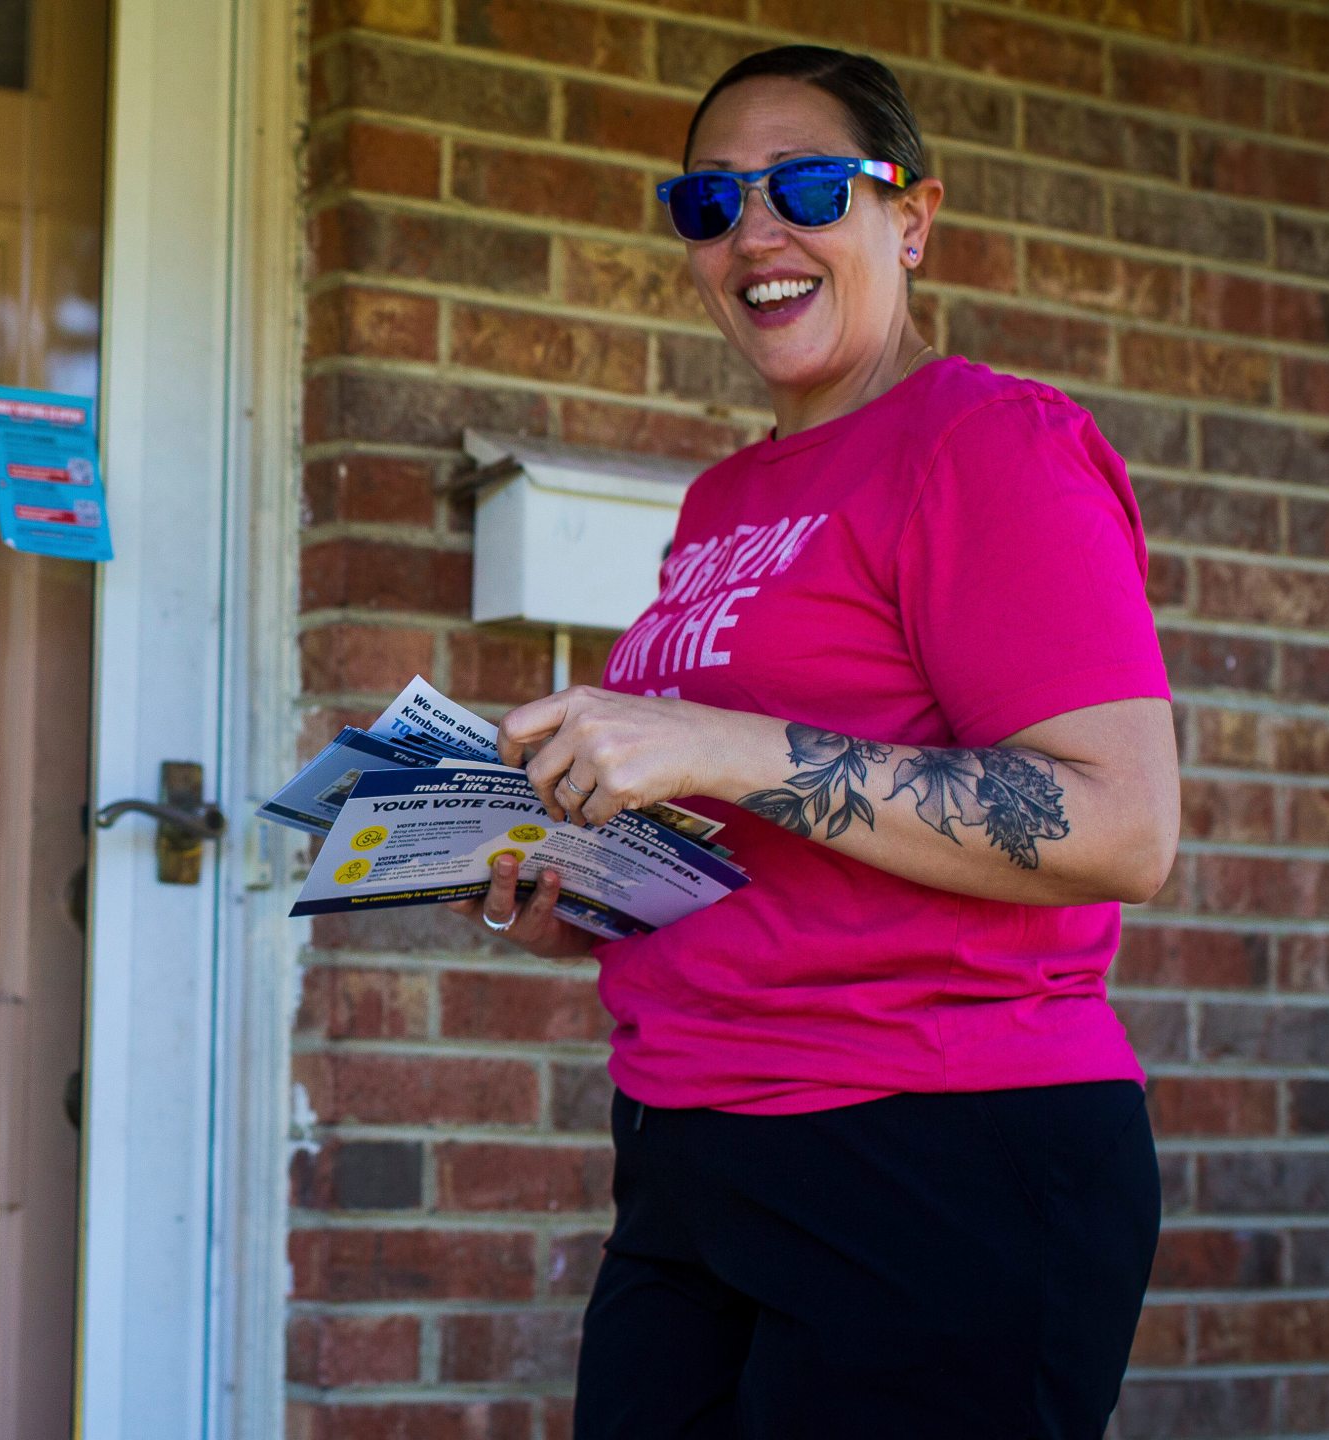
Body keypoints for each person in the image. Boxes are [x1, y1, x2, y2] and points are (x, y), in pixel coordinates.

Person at [444, 45, 1179, 1440]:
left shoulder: (990, 445)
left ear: (911, 218)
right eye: (710, 204)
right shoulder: (728, 497)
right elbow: (759, 835)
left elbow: (1120, 824)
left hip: (930, 1148)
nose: (757, 232)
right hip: (689, 1144)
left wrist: (718, 742)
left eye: (807, 186)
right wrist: (580, 892)